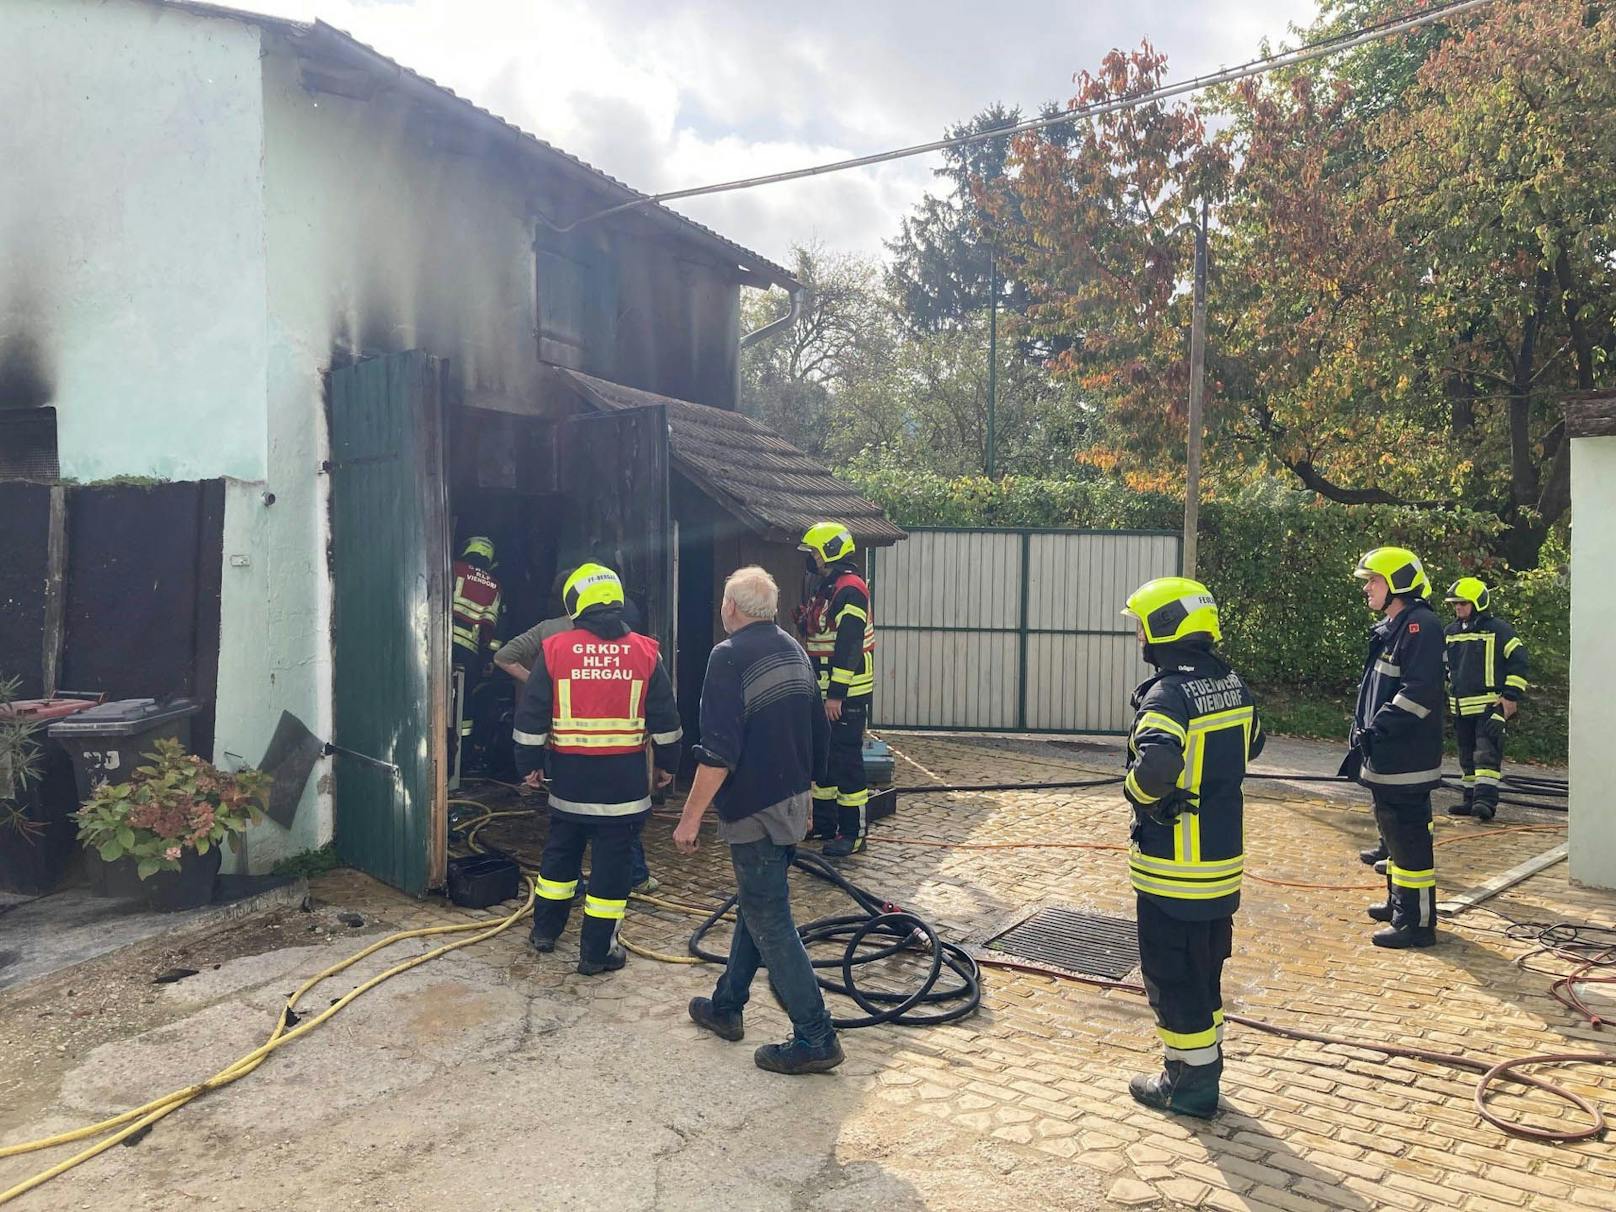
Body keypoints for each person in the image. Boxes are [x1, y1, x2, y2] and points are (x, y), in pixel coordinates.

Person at [673, 566, 843, 1075]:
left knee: (771, 919)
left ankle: (816, 1035)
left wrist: (689, 818)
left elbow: (719, 751)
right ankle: (727, 1007)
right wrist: (808, 798)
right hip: (790, 803)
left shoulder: (727, 658)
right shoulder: (793, 649)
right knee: (757, 905)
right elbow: (818, 733)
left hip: (755, 812)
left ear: (730, 607)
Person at [1119, 576, 1262, 1118]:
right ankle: (1207, 1068)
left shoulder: (1168, 693)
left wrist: (1138, 794)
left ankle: (1188, 1086)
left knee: (1172, 976)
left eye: (1141, 626)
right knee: (1205, 971)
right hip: (1222, 863)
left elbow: (1155, 767)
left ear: (1163, 628)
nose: (1138, 637)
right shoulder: (1232, 683)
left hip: (1173, 868)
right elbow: (1253, 742)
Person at [512, 563, 681, 975]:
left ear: (576, 603)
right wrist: (668, 768)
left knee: (558, 859)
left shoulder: (555, 650)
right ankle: (596, 953)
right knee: (611, 872)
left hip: (570, 783)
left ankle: (545, 932)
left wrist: (529, 766)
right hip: (623, 789)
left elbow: (530, 717)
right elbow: (667, 720)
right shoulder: (646, 652)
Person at [496, 567, 659, 894]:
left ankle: (559, 902)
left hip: (567, 751)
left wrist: (541, 686)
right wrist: (666, 762)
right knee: (617, 823)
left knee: (566, 831)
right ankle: (635, 877)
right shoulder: (621, 634)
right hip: (620, 754)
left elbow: (504, 656)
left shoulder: (549, 633)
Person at [1343, 547, 1444, 949]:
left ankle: (1416, 925)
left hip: (1406, 759)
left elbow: (1418, 694)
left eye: (1374, 580)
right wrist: (1362, 729)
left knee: (1409, 840)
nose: (1367, 587)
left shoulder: (1421, 626)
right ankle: (1399, 903)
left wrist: (1377, 728)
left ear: (1398, 583)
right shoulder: (1397, 625)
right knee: (1394, 837)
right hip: (1387, 756)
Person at [793, 522, 875, 857]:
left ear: (828, 553)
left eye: (814, 552)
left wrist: (837, 694)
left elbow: (850, 644)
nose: (811, 559)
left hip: (846, 694)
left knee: (846, 761)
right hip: (825, 691)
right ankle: (826, 825)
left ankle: (853, 833)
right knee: (823, 761)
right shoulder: (829, 588)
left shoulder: (850, 589)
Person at [1443, 577, 1529, 821]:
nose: (1458, 608)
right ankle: (1470, 800)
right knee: (1466, 755)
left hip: (1489, 706)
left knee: (1486, 756)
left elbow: (1519, 661)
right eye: (1455, 604)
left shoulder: (1498, 630)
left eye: (1463, 603)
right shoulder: (1449, 633)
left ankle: (1485, 802)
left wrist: (1510, 697)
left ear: (1478, 603)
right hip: (1461, 707)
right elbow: (1443, 667)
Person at [451, 536, 503, 768]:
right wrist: (489, 658)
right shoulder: (494, 585)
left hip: (440, 645)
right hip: (469, 653)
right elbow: (492, 627)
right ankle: (461, 760)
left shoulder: (454, 568)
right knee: (464, 706)